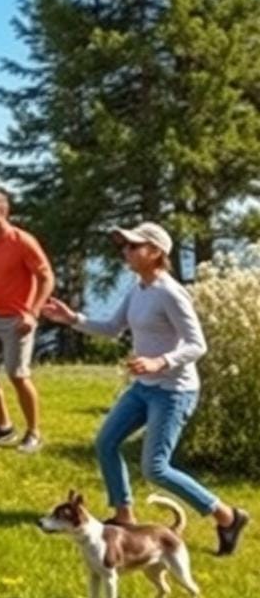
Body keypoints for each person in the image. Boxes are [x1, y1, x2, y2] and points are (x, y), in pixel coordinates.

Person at [42, 221, 250, 555]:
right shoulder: (138, 289)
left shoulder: (170, 292)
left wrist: (160, 362)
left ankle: (228, 517)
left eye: (133, 246)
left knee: (156, 467)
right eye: (124, 245)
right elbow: (112, 328)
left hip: (174, 391)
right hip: (144, 387)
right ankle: (124, 517)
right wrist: (73, 319)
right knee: (106, 442)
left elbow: (198, 344)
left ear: (156, 252)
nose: (126, 251)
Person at [0, 187, 55, 453]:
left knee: (17, 375)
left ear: (3, 210)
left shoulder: (22, 241)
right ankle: (3, 426)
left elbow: (46, 276)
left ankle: (33, 432)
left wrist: (33, 312)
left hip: (18, 318)